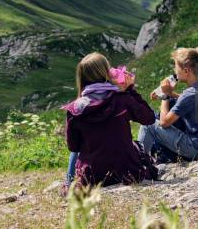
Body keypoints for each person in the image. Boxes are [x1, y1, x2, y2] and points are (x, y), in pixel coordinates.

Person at [62, 52, 157, 188]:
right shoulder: (122, 99)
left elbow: (74, 147)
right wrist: (130, 89)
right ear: (106, 73)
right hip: (128, 172)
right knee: (136, 146)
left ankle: (69, 182)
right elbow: (149, 118)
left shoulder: (74, 109)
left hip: (92, 177)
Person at [138, 48, 198, 161]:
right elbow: (188, 102)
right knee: (172, 104)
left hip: (196, 149)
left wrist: (165, 96)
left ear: (186, 71)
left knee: (148, 123)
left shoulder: (189, 94)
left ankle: (140, 163)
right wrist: (171, 94)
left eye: (176, 67)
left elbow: (164, 123)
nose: (175, 70)